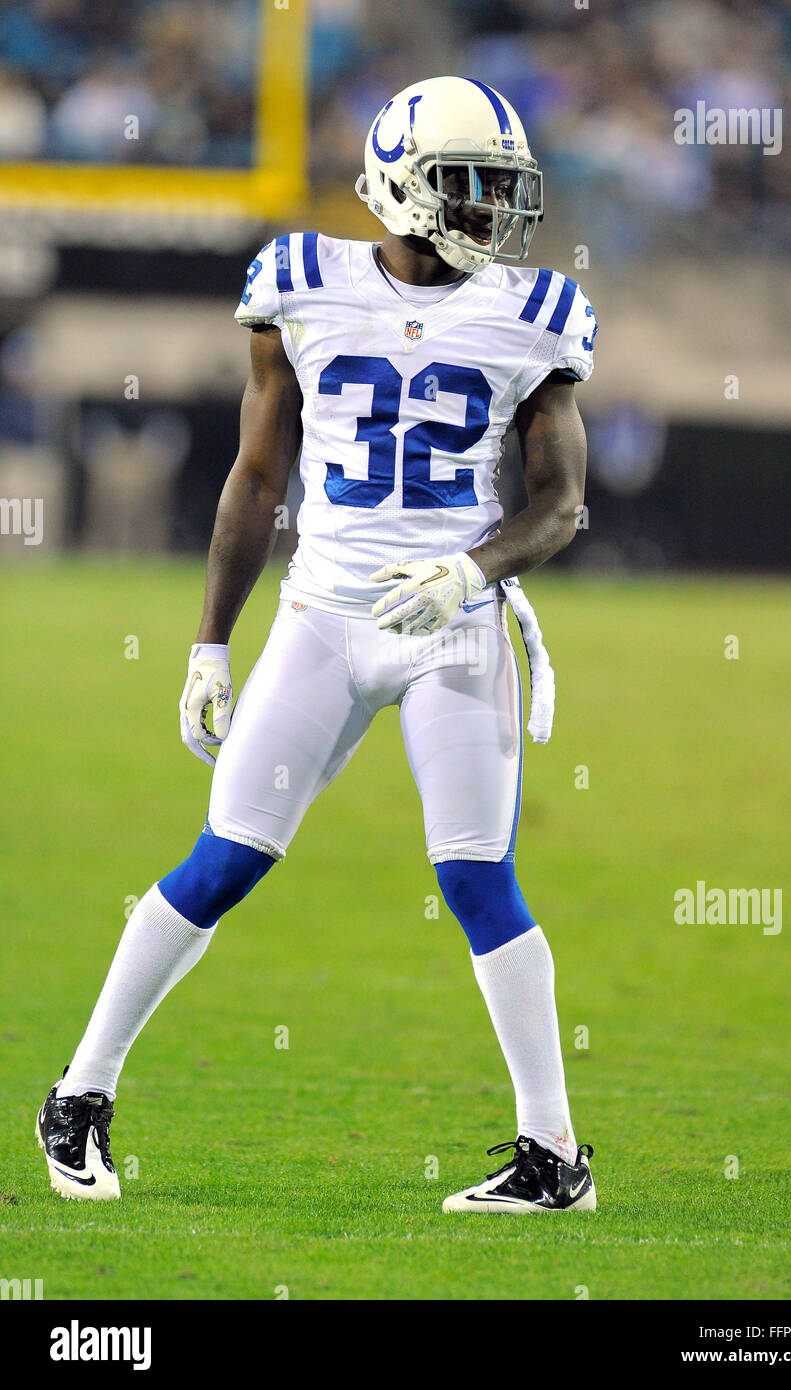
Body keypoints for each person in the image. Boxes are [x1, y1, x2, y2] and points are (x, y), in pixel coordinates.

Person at [37, 76, 598, 1214]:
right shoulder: (301, 283)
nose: (492, 209)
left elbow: (560, 504)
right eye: (469, 184)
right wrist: (207, 644)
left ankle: (554, 1157)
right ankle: (78, 1096)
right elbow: (256, 477)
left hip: (451, 627)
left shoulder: (532, 312)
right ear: (399, 185)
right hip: (322, 620)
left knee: (477, 876)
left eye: (502, 186)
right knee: (226, 855)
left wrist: (466, 572)